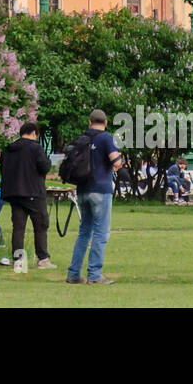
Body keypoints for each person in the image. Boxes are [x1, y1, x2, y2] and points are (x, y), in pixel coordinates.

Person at [66, 109, 122, 285]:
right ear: (105, 123)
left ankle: (74, 273)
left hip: (82, 189)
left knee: (84, 232)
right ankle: (95, 274)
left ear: (89, 122)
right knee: (100, 232)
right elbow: (116, 162)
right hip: (100, 190)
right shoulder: (106, 138)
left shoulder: (82, 138)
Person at [0, 121, 54, 270]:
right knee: (41, 225)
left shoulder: (9, 149)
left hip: (14, 194)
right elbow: (44, 167)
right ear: (33, 133)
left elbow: (2, 166)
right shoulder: (35, 148)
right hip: (33, 192)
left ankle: (18, 261)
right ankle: (43, 259)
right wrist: (48, 161)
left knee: (18, 228)